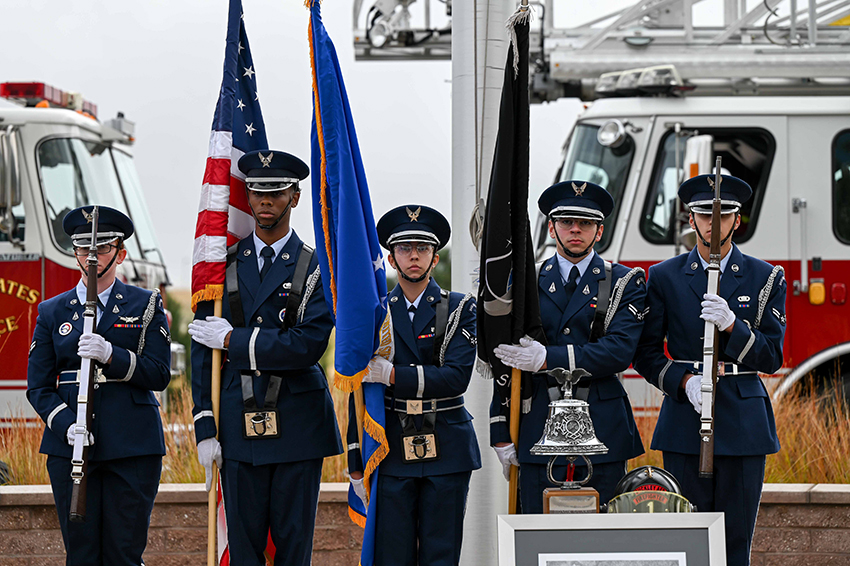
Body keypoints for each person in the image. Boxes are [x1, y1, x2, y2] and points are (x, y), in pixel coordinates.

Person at [188, 150, 341, 566]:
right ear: (247, 197)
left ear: (294, 197)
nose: (264, 202)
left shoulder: (317, 268)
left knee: (294, 551)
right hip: (237, 423)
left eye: (276, 193)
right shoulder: (221, 267)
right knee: (243, 551)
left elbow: (307, 345)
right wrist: (204, 425)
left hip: (297, 424)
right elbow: (203, 352)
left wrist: (235, 341)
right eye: (256, 193)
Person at [633, 174, 785, 566]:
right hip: (686, 418)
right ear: (691, 219)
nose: (712, 223)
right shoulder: (664, 276)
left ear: (737, 221)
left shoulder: (765, 276)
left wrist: (734, 326)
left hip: (742, 420)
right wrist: (683, 383)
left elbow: (771, 358)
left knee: (736, 540)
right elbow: (647, 354)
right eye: (704, 214)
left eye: (723, 215)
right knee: (687, 537)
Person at [27, 206, 171, 566]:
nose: (92, 256)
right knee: (82, 554)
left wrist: (112, 355)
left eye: (103, 247)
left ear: (120, 253)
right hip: (72, 448)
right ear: (74, 252)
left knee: (124, 553)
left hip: (132, 444)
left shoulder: (146, 304)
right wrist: (66, 426)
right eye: (82, 247)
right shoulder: (52, 312)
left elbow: (158, 373)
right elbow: (38, 387)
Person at [490, 180, 646, 511]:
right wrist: (499, 427)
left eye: (586, 223)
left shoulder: (625, 281)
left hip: (602, 427)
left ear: (599, 231)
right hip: (535, 425)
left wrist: (547, 358)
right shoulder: (524, 283)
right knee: (536, 539)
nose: (575, 230)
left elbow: (619, 351)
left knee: (604, 546)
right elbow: (504, 359)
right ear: (551, 227)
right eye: (566, 222)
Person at [347, 205, 480, 566]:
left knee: (441, 555)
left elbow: (455, 378)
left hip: (447, 445)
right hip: (390, 449)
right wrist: (354, 457)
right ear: (391, 258)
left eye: (422, 248)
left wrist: (391, 376)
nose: (414, 255)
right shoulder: (374, 314)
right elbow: (355, 388)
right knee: (394, 556)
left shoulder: (460, 309)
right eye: (405, 248)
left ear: (435, 258)